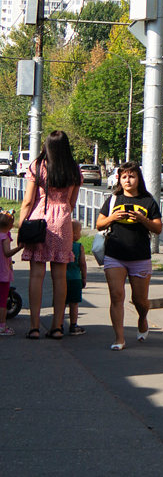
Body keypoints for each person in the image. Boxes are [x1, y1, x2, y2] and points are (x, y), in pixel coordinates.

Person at [18, 130, 81, 340]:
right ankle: (57, 327)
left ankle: (34, 327)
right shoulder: (73, 169)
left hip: (39, 220)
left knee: (37, 274)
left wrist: (21, 226)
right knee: (60, 276)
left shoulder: (38, 166)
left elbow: (28, 201)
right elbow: (72, 203)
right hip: (63, 221)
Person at [95, 161, 163, 350]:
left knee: (140, 300)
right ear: (119, 179)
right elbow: (99, 224)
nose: (128, 180)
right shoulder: (114, 200)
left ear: (138, 179)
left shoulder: (148, 201)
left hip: (140, 256)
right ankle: (119, 339)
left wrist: (142, 219)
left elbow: (158, 228)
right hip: (114, 255)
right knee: (116, 296)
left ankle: (142, 317)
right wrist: (112, 218)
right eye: (124, 176)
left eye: (131, 176)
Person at [65, 221, 87, 335]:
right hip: (75, 278)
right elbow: (82, 263)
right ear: (73, 234)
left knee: (61, 302)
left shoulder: (62, 245)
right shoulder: (79, 247)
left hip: (62, 278)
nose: (80, 234)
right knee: (74, 303)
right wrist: (84, 277)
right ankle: (73, 325)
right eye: (79, 231)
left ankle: (58, 323)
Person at [0, 211, 19, 336]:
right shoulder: (5, 237)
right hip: (3, 273)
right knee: (2, 302)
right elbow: (7, 253)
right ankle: (2, 326)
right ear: (11, 226)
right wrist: (20, 247)